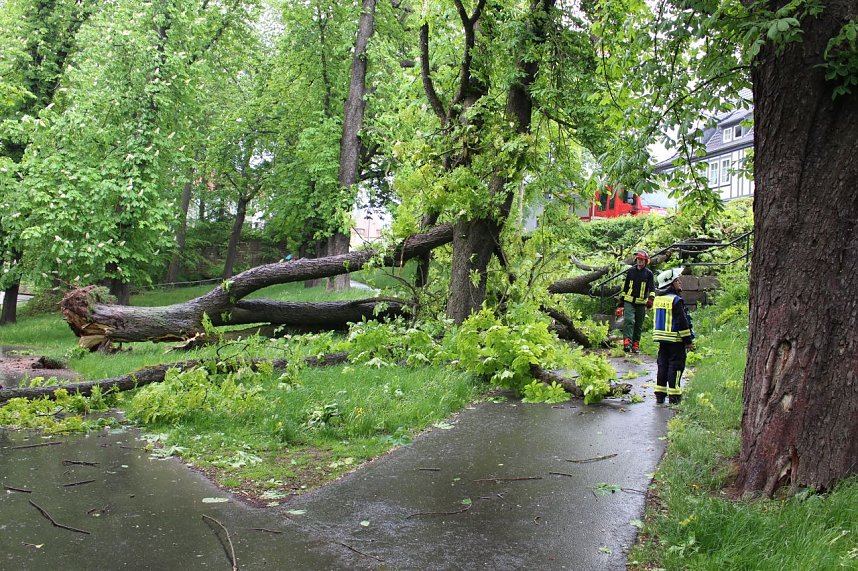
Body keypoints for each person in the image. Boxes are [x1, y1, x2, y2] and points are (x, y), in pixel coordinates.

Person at [652, 267, 695, 404]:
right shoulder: (675, 300)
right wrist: (688, 341)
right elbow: (682, 322)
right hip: (676, 340)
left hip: (662, 340)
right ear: (670, 284)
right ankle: (674, 396)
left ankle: (660, 394)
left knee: (662, 366)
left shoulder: (658, 299)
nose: (680, 282)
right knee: (675, 367)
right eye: (677, 280)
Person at [615, 250, 655, 354]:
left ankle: (635, 344)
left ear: (646, 261)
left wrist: (650, 300)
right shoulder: (631, 271)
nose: (639, 261)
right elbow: (626, 287)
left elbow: (652, 289)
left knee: (638, 324)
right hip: (629, 300)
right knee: (629, 320)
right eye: (638, 259)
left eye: (642, 260)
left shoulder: (649, 274)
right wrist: (621, 302)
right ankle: (627, 342)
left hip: (641, 303)